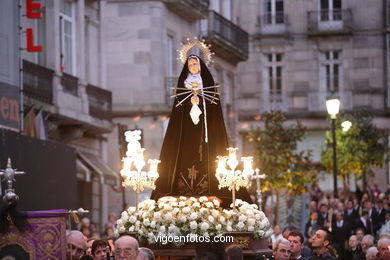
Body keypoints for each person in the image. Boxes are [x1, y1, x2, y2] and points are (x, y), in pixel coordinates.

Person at [150, 54, 251, 206]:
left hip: (205, 136)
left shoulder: (208, 86)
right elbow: (177, 117)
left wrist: (201, 100)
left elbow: (214, 114)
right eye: (190, 65)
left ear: (200, 66)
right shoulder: (183, 86)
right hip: (185, 136)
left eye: (195, 64)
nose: (193, 67)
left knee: (209, 161)